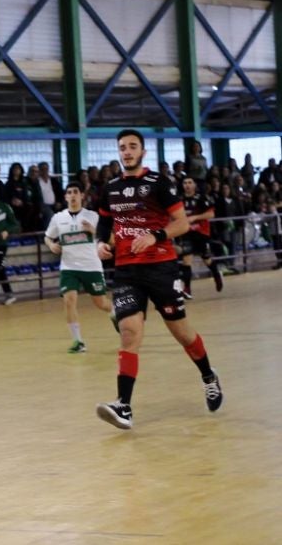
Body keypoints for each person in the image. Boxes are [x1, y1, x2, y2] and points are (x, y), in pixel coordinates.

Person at [94, 129, 223, 430]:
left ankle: (208, 376)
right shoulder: (110, 187)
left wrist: (155, 236)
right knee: (129, 332)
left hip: (161, 269)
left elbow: (180, 223)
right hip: (126, 270)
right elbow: (104, 221)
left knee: (182, 334)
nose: (127, 151)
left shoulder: (158, 183)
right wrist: (101, 242)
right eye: (122, 147)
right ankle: (123, 406)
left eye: (133, 147)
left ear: (143, 152)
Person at [44, 182, 114, 354]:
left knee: (101, 303)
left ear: (82, 195)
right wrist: (51, 245)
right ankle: (78, 342)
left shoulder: (93, 216)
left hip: (91, 266)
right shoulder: (58, 218)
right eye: (69, 192)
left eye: (76, 191)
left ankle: (114, 312)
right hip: (69, 267)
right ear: (66, 197)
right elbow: (47, 237)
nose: (73, 195)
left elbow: (110, 239)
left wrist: (94, 231)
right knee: (69, 301)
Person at [178, 176, 224, 298]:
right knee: (186, 261)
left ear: (194, 185)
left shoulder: (202, 198)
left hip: (201, 233)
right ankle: (187, 289)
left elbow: (211, 214)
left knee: (206, 259)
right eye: (185, 183)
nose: (187, 185)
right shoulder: (180, 199)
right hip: (186, 232)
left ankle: (216, 274)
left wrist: (195, 217)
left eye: (189, 182)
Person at [33, 161, 65, 230]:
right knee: (49, 214)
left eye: (46, 169)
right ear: (39, 171)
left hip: (55, 204)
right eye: (42, 169)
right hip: (43, 205)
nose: (44, 171)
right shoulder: (36, 182)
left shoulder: (54, 181)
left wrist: (59, 202)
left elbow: (61, 193)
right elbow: (36, 197)